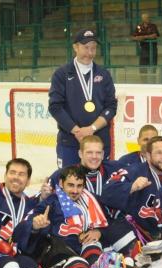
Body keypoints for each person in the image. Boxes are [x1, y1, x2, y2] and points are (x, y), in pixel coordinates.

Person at [27, 165, 122, 268]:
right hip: (61, 254)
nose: (75, 190)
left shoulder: (90, 199)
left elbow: (108, 222)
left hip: (85, 249)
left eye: (79, 186)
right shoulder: (51, 202)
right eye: (70, 185)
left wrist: (98, 231)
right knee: (80, 267)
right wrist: (36, 225)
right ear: (61, 183)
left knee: (101, 251)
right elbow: (31, 223)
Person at [45, 136, 137, 257]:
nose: (94, 156)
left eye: (98, 153)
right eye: (89, 152)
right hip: (80, 230)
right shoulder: (63, 174)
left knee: (132, 247)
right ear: (80, 153)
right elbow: (45, 204)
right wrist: (42, 196)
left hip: (110, 225)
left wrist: (100, 231)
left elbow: (138, 171)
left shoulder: (115, 169)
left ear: (103, 154)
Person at [48, 29, 117, 168]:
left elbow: (111, 107)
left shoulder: (104, 74)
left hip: (99, 143)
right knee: (69, 184)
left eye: (93, 48)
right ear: (75, 47)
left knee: (100, 185)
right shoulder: (61, 74)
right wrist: (77, 131)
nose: (90, 52)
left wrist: (91, 128)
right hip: (71, 142)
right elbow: (55, 107)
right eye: (86, 48)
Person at [102, 136, 162, 241]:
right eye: (159, 153)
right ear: (148, 155)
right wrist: (132, 187)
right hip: (139, 235)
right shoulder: (133, 171)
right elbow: (106, 191)